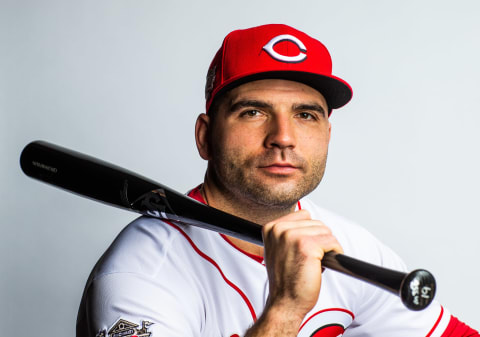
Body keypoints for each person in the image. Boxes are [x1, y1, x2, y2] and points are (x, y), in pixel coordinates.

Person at [76, 24, 478, 337]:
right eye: (252, 112)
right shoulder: (141, 272)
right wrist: (285, 309)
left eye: (306, 115)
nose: (283, 136)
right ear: (204, 136)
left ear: (327, 136)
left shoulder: (348, 245)